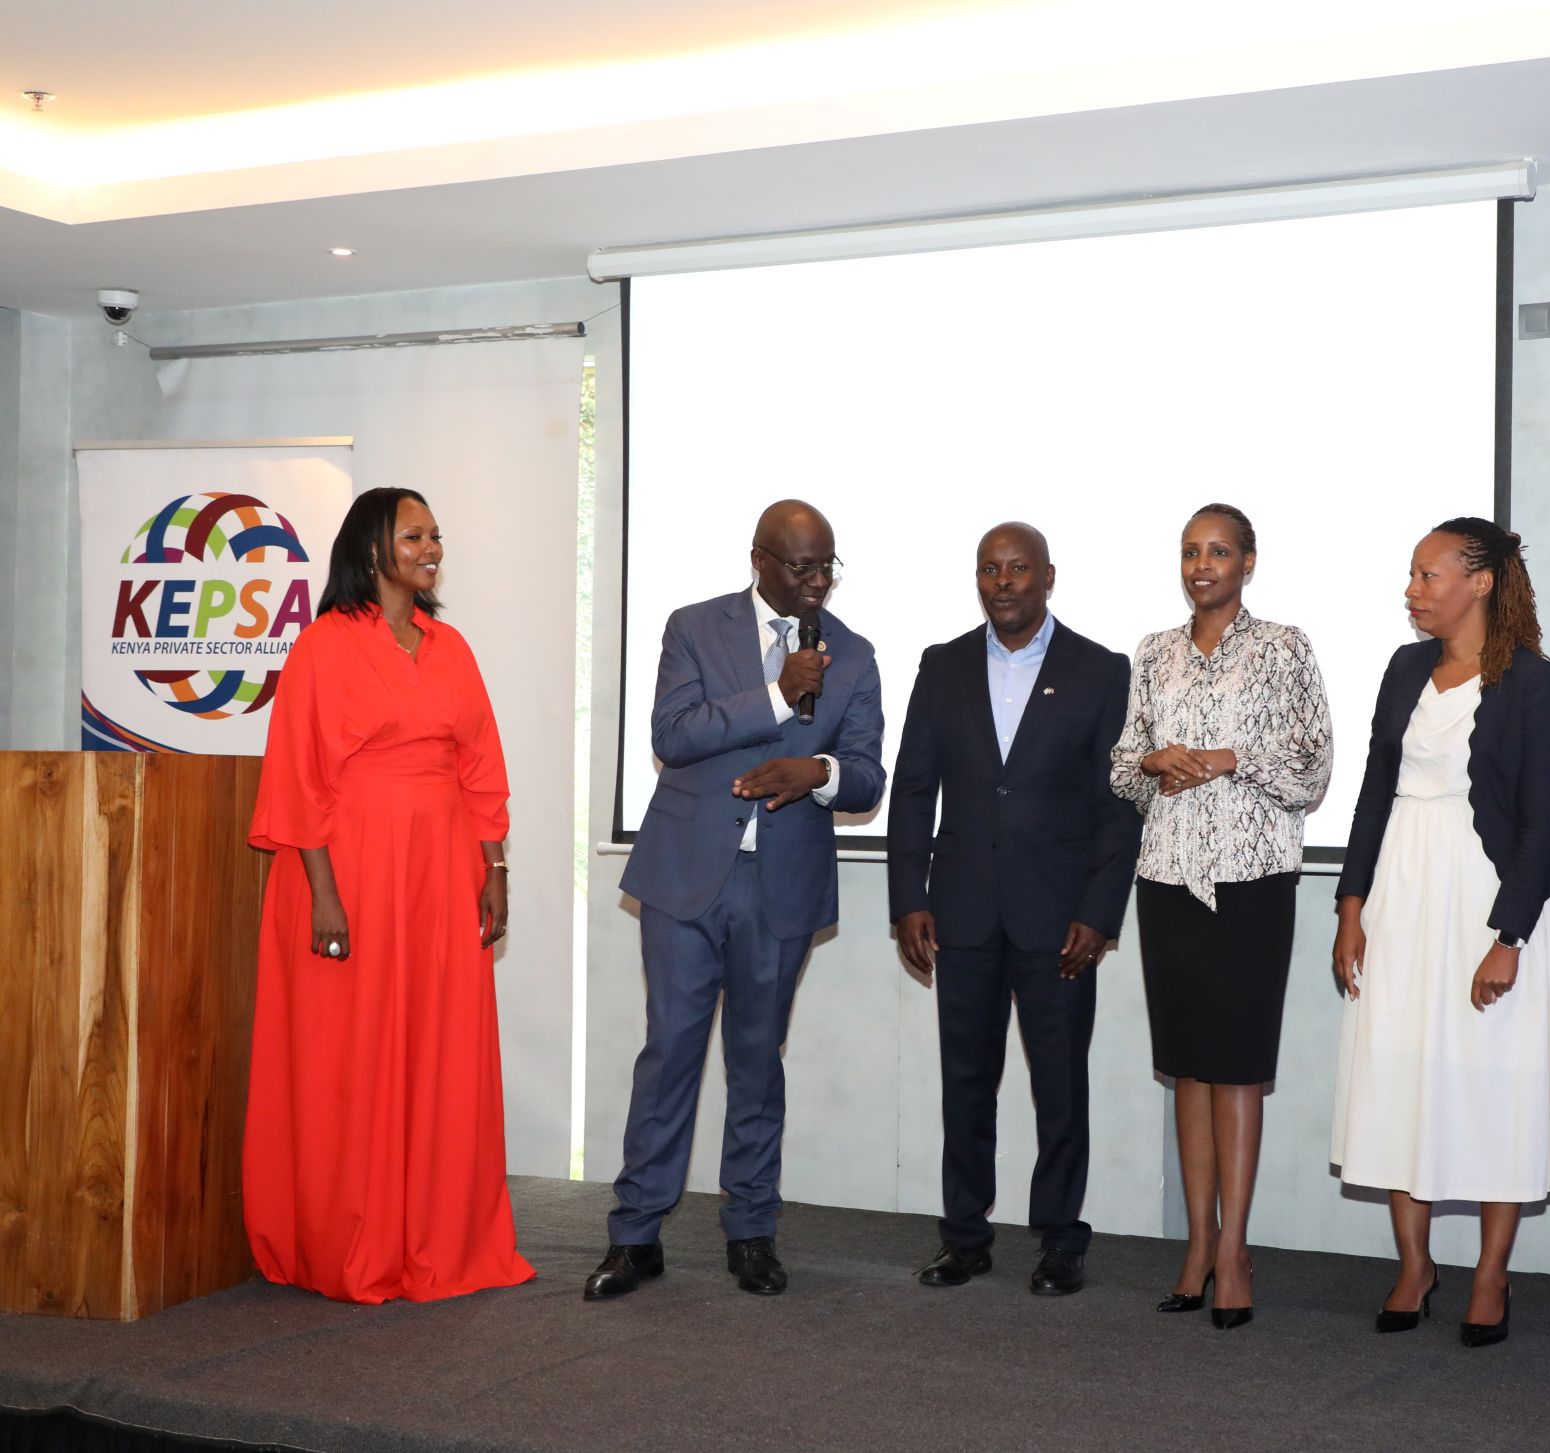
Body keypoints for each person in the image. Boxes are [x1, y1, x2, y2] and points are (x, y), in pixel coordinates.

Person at [587, 500, 885, 1300]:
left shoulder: (854, 653)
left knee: (758, 1061)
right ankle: (635, 1234)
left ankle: (751, 1230)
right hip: (684, 877)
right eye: (802, 566)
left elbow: (866, 774)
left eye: (827, 566)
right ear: (760, 559)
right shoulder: (694, 627)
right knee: (668, 1055)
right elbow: (673, 733)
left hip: (781, 888)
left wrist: (818, 773)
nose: (818, 582)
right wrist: (779, 697)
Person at [243, 486, 532, 1303]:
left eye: (435, 536)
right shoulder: (323, 647)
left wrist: (494, 870)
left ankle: (435, 1234)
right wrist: (324, 895)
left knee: (437, 1045)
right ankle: (351, 1240)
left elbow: (481, 768)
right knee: (352, 1051)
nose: (430, 548)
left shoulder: (451, 647)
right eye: (413, 536)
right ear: (372, 549)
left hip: (440, 872)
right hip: (350, 871)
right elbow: (299, 779)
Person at [1330, 518, 1550, 1349]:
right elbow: (1373, 792)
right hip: (1401, 897)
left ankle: (1489, 1274)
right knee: (1400, 1075)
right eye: (1411, 575)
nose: (1412, 590)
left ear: (1480, 581)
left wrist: (1510, 936)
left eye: (1427, 574)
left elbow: (1543, 821)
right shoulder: (1404, 668)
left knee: (1494, 1082)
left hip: (1488, 901)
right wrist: (1351, 905)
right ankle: (1415, 1266)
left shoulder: (1532, 681)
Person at [887, 523, 1142, 1296]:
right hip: (961, 912)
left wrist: (1100, 911)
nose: (1003, 582)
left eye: (1018, 568)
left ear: (1048, 577)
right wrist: (908, 898)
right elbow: (913, 789)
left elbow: (1118, 804)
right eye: (989, 569)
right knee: (965, 1084)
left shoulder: (1100, 670)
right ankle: (964, 1236)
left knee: (1059, 1087)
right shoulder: (943, 665)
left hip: (1060, 921)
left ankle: (1061, 1240)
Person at [1110, 503, 1331, 1329]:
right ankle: (1197, 1243)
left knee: (1236, 1065)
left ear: (1248, 562)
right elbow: (1120, 769)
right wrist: (1155, 761)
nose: (1202, 565)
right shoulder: (1153, 652)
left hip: (1251, 881)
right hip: (1167, 877)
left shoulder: (1283, 647)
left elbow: (1313, 768)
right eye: (1190, 551)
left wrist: (1230, 758)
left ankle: (1235, 1250)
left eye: (1219, 551)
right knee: (1188, 1068)